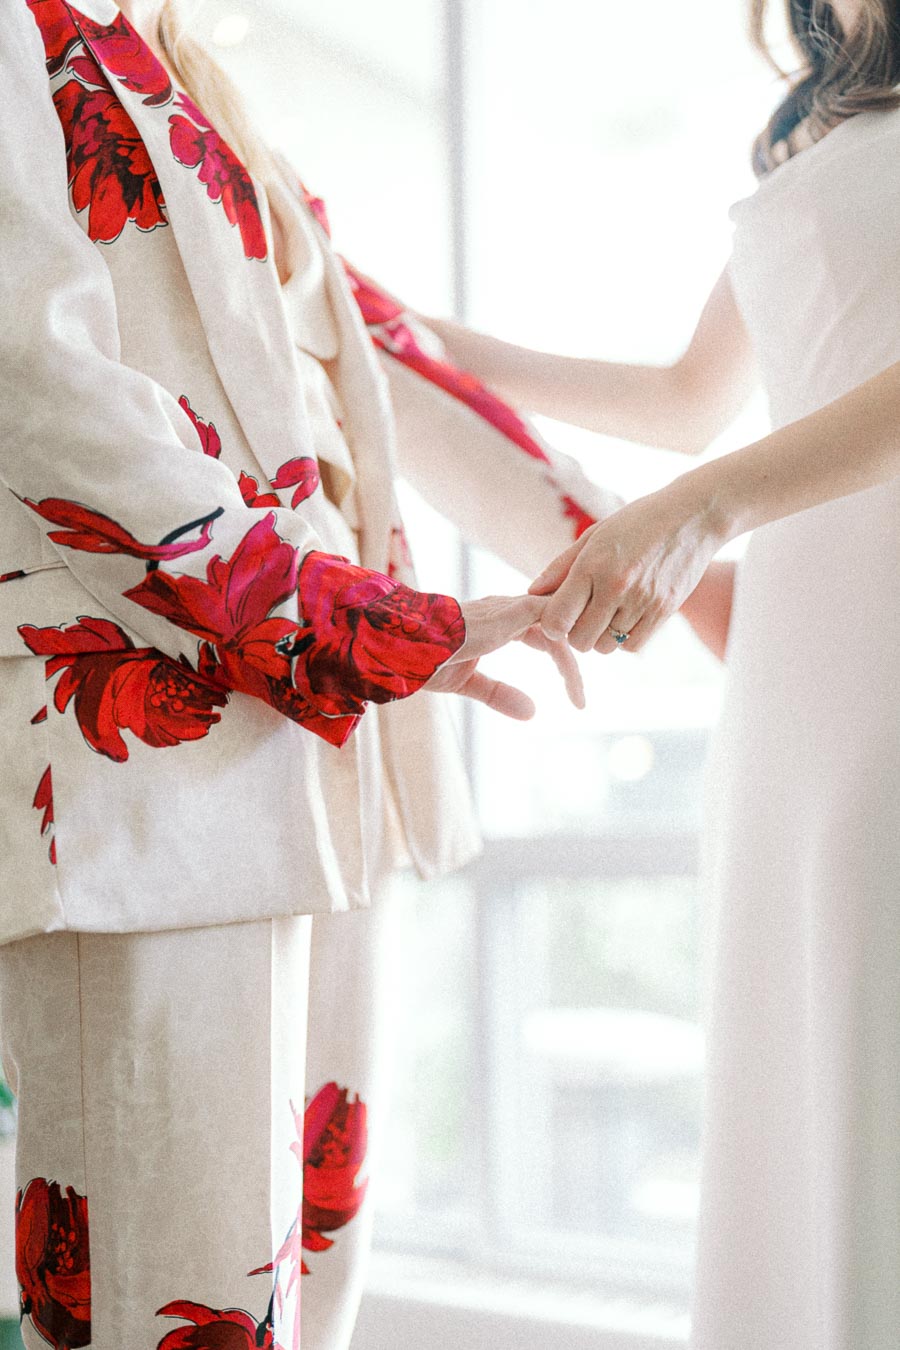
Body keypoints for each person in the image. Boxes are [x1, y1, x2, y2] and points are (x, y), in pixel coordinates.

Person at [0, 2, 623, 1347]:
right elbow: (35, 386)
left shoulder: (195, 80)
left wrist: (620, 554)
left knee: (308, 1263)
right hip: (150, 754)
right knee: (171, 1286)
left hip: (329, 737)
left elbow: (376, 355)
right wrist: (360, 625)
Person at [427, 1, 900, 1344]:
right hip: (795, 677)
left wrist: (701, 511)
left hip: (878, 647)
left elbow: (716, 459)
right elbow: (688, 397)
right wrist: (429, 343)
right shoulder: (812, 127)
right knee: (797, 1068)